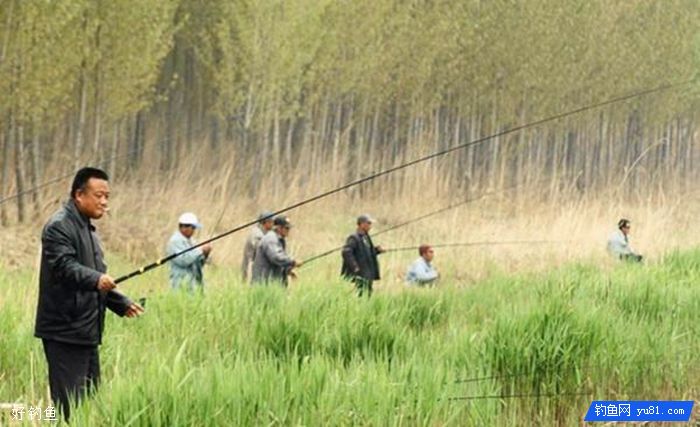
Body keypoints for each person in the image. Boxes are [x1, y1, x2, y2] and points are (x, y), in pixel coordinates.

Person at [34, 167, 144, 421]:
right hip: (64, 331)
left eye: (107, 196)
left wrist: (120, 302)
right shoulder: (58, 226)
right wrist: (96, 279)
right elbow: (65, 267)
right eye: (99, 195)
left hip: (86, 331)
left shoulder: (89, 230)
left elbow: (99, 277)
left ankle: (29, 417)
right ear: (78, 195)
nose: (104, 202)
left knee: (90, 401)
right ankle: (24, 416)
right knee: (68, 408)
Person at [166, 212, 212, 292]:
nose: (194, 230)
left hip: (194, 285)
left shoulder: (192, 241)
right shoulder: (175, 241)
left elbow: (198, 263)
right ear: (184, 227)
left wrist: (205, 255)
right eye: (193, 227)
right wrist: (201, 251)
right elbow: (184, 260)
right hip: (181, 284)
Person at [341, 214, 384, 297]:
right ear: (362, 224)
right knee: (361, 293)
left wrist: (377, 251)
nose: (370, 226)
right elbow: (346, 252)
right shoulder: (354, 237)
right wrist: (355, 267)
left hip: (368, 272)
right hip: (360, 273)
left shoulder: (366, 237)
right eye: (369, 223)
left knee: (368, 293)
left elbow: (366, 252)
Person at [251, 216, 300, 287]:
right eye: (286, 228)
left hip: (271, 284)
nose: (288, 230)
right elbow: (276, 257)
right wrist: (293, 261)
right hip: (263, 285)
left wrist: (288, 270)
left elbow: (276, 263)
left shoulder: (278, 239)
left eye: (289, 228)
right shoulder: (271, 239)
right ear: (278, 228)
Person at [241, 211, 274, 281]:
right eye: (271, 222)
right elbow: (262, 250)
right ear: (266, 222)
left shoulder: (263, 232)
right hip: (251, 268)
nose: (273, 224)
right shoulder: (257, 234)